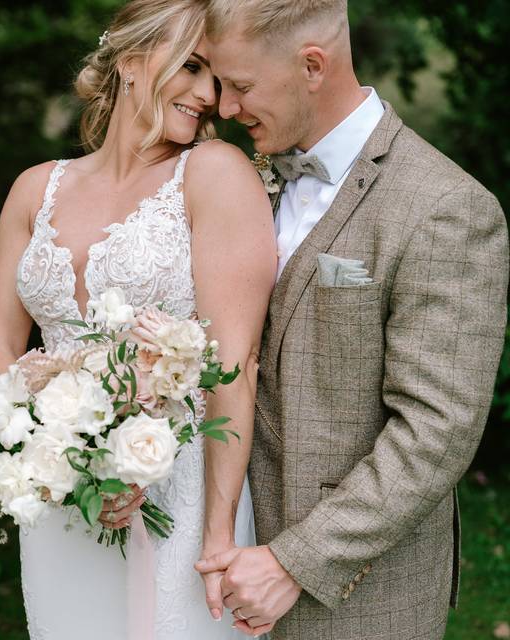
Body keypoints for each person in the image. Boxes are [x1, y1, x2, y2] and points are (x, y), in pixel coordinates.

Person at [193, 1, 509, 639]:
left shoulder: (446, 209)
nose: (224, 108)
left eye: (243, 86)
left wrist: (295, 562)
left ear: (313, 65)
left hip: (359, 598)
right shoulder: (235, 180)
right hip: (217, 574)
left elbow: (434, 432)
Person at [0, 0, 277, 637]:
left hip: (178, 492)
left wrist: (219, 533)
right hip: (63, 494)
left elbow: (234, 364)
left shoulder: (213, 175)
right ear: (133, 60)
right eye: (192, 68)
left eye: (219, 81)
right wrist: (57, 461)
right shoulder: (36, 188)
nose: (208, 97)